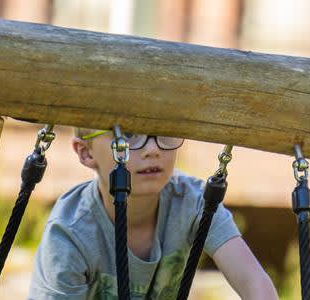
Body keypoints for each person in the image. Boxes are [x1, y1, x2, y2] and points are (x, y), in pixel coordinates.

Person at [29, 128, 277, 300]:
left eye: (162, 133)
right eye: (126, 136)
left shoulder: (192, 202)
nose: (151, 149)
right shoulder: (70, 233)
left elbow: (254, 282)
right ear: (86, 152)